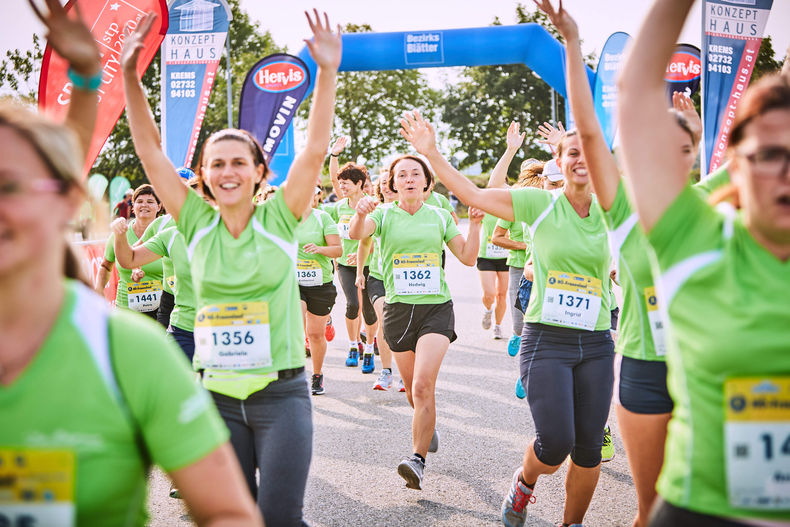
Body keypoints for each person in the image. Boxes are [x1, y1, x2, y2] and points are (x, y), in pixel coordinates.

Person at [0, 2, 261, 525]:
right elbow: (128, 259)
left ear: (66, 202)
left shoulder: (128, 353)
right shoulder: (165, 231)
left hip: (214, 334)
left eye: (9, 187)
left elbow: (229, 514)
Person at [121, 9, 341, 525]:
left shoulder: (283, 218)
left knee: (281, 515)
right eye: (216, 163)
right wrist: (131, 77)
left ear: (260, 171)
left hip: (281, 393)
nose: (227, 171)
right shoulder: (193, 222)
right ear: (202, 174)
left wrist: (327, 74)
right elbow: (149, 150)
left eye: (238, 161)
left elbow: (313, 149)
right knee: (233, 517)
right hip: (216, 391)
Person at [400, 92, 614, 527]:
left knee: (590, 447)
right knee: (554, 444)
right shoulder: (538, 203)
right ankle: (524, 484)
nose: (581, 160)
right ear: (558, 159)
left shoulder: (615, 208)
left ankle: (570, 523)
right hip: (547, 338)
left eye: (589, 152)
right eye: (571, 152)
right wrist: (432, 154)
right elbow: (472, 194)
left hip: (595, 341)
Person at [618, 0, 790, 525]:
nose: (787, 173)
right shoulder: (693, 240)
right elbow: (636, 94)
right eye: (769, 155)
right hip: (703, 513)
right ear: (735, 166)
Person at [350, 154, 484, 491]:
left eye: (415, 174)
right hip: (397, 311)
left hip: (435, 308)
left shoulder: (439, 216)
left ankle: (416, 460)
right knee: (413, 392)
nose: (409, 179)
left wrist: (477, 225)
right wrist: (360, 212)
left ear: (426, 182)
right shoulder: (382, 215)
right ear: (393, 184)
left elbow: (467, 258)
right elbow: (357, 234)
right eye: (402, 175)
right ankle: (427, 420)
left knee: (423, 386)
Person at [327, 137, 379, 369]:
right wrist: (334, 155)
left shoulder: (372, 205)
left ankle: (369, 348)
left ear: (359, 184)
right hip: (345, 265)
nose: (343, 186)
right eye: (342, 183)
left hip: (370, 265)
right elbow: (332, 179)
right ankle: (352, 345)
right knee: (352, 306)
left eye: (348, 182)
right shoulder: (339, 206)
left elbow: (375, 238)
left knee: (369, 309)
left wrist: (363, 257)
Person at [355, 167, 400, 391]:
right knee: (385, 320)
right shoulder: (377, 212)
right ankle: (386, 371)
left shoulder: (413, 211)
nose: (385, 186)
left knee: (403, 325)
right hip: (380, 277)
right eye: (382, 183)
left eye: (388, 182)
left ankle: (404, 372)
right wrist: (359, 271)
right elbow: (363, 242)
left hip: (404, 279)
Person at [296, 185, 342, 395]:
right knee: (296, 325)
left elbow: (338, 249)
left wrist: (319, 249)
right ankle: (294, 376)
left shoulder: (323, 218)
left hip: (320, 283)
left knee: (315, 334)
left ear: (314, 197)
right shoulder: (286, 220)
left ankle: (317, 374)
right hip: (293, 283)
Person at [96, 184, 165, 320]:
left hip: (160, 312)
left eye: (150, 202)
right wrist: (98, 291)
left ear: (159, 206)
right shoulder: (120, 234)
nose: (144, 205)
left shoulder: (166, 234)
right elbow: (105, 265)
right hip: (126, 311)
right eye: (139, 202)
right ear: (133, 207)